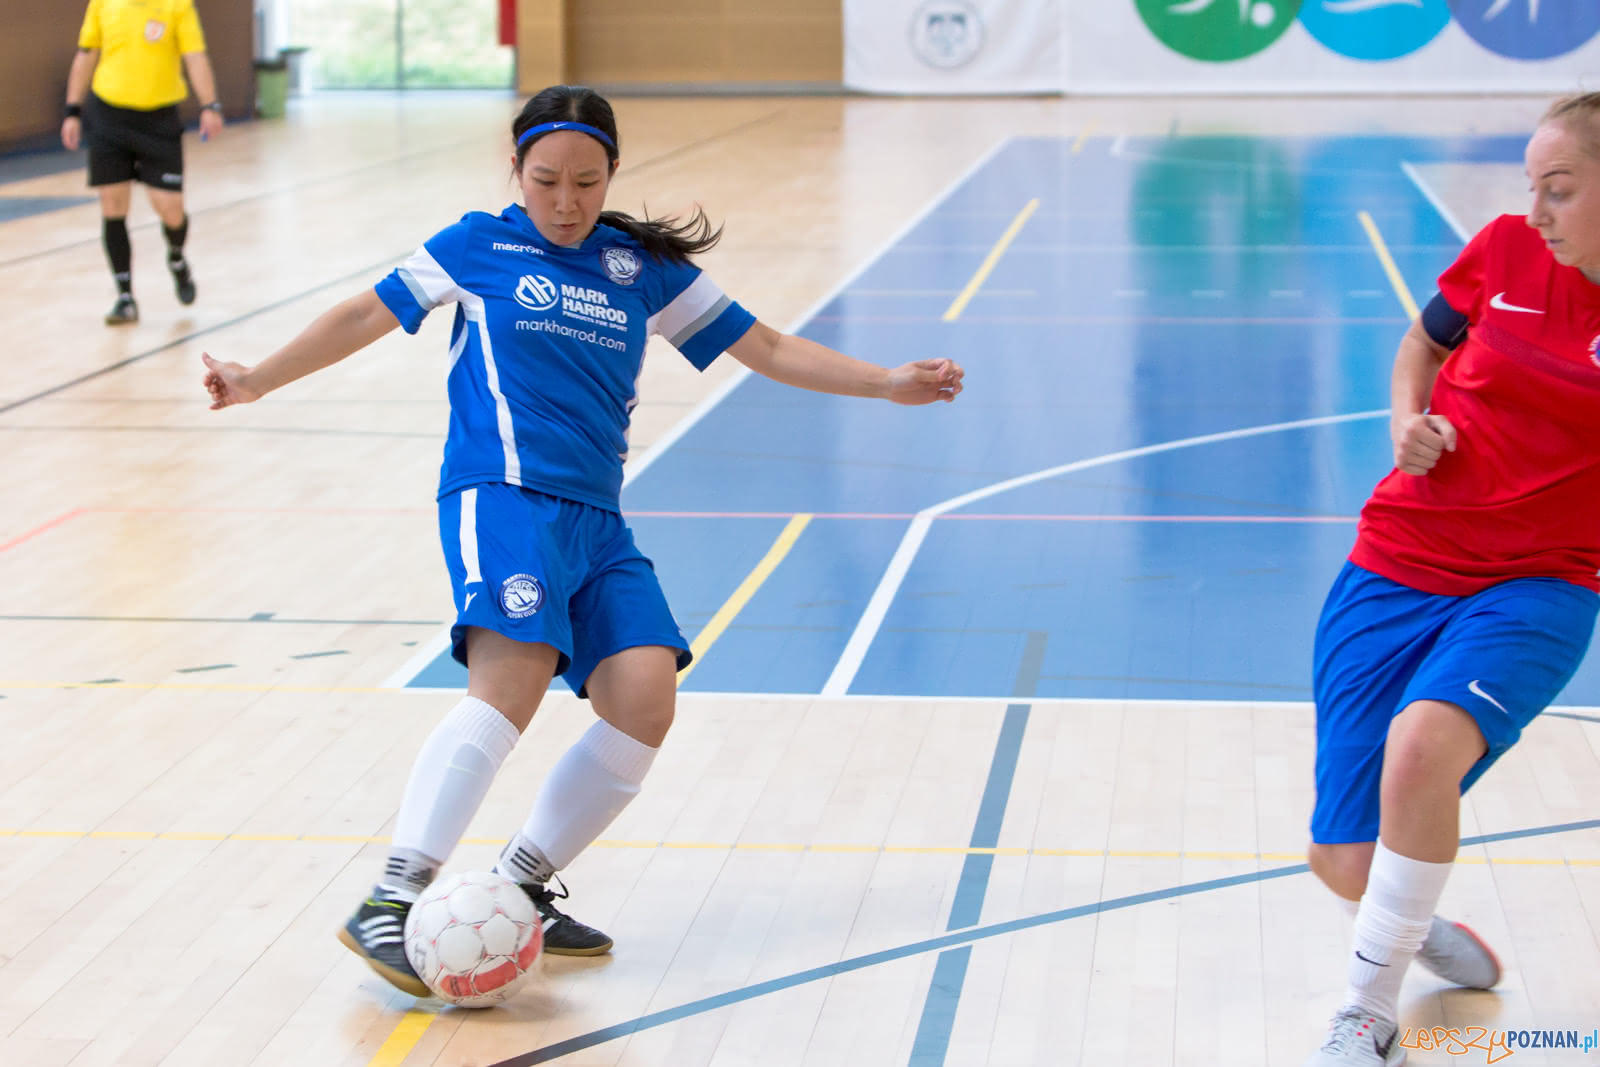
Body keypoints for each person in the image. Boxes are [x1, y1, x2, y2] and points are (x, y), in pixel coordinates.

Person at [200, 85, 965, 996]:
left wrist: (886, 382)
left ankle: (521, 885)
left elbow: (761, 345)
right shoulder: (476, 244)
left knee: (644, 695)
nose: (566, 202)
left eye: (587, 183)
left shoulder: (636, 267)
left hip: (598, 517)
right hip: (503, 494)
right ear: (514, 169)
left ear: (612, 177)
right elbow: (364, 315)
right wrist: (258, 378)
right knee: (512, 678)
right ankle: (390, 898)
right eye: (547, 180)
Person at [1303, 92, 1600, 1066]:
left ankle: (1365, 1008)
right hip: (1396, 556)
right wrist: (1406, 419)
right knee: (1342, 859)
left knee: (1420, 748)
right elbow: (1423, 345)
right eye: (1530, 187)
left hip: (1540, 579)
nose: (1535, 210)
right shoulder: (1506, 252)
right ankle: (1409, 913)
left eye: (1557, 189)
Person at [61, 0, 224, 326]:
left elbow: (195, 56)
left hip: (159, 122)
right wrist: (72, 111)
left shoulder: (177, 6)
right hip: (108, 117)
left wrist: (210, 104)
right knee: (112, 204)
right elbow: (86, 53)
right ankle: (125, 297)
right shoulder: (103, 3)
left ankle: (176, 258)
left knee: (170, 208)